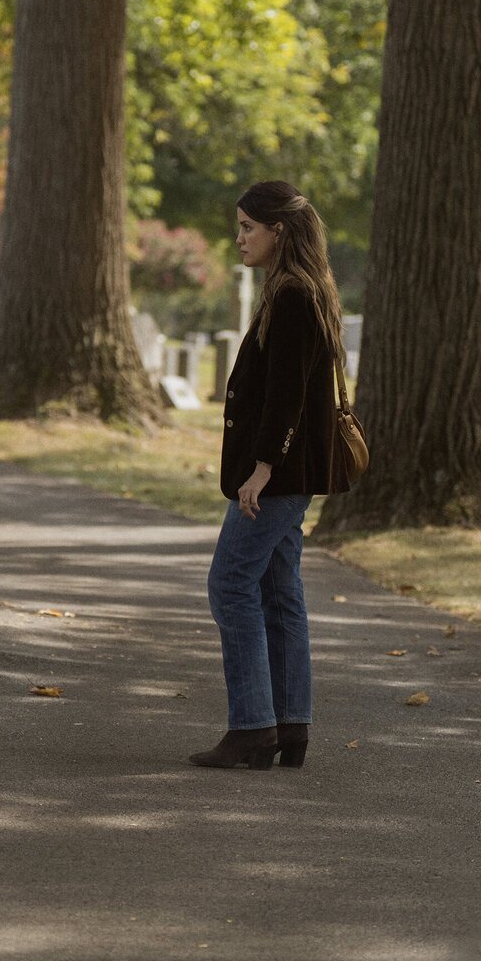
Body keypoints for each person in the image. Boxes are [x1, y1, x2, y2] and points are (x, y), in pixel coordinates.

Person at [190, 181, 347, 770]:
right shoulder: (298, 291)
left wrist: (262, 468)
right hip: (287, 471)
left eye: (248, 228)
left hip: (278, 476)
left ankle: (254, 726)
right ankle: (289, 725)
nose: (239, 239)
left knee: (230, 584)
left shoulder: (293, 296)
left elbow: (287, 396)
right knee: (279, 594)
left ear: (278, 232)